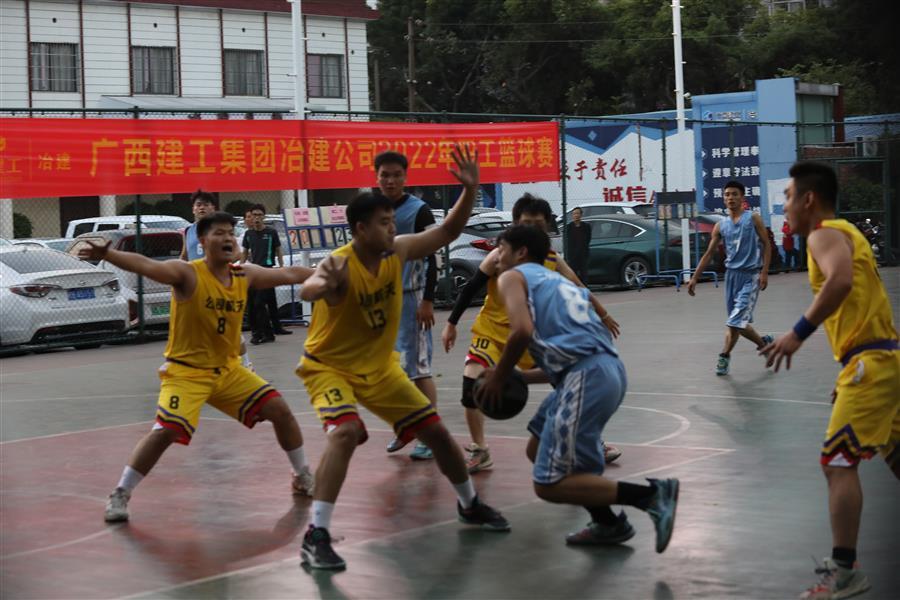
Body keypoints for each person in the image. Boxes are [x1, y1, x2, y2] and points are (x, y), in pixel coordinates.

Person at [295, 145, 509, 571]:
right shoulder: (339, 264)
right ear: (360, 229)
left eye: (393, 220)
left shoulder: (399, 250)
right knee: (344, 432)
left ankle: (469, 504)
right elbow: (309, 288)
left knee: (438, 435)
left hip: (379, 369)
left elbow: (446, 233)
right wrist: (318, 286)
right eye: (384, 223)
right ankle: (316, 534)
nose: (393, 227)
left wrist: (470, 190)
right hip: (329, 369)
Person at [80, 212, 318, 523]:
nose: (228, 238)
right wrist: (109, 254)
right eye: (219, 233)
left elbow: (288, 273)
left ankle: (301, 475)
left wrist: (324, 272)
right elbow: (148, 266)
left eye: (231, 232)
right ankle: (121, 492)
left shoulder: (244, 275)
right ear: (203, 241)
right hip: (187, 372)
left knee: (280, 411)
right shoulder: (188, 274)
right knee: (165, 431)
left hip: (228, 371)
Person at [475, 224, 679, 549]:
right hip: (602, 371)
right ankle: (608, 523)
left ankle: (652, 496)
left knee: (549, 484)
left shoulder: (512, 277)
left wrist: (499, 376)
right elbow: (570, 354)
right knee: (537, 448)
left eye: (501, 249)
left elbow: (521, 331)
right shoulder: (557, 281)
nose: (496, 256)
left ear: (521, 252)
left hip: (587, 378)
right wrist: (521, 377)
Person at [760, 162, 898, 600]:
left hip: (872, 365)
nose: (784, 205)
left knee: (837, 462)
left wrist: (796, 334)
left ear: (808, 199)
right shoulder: (846, 232)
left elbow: (839, 281)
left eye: (788, 196)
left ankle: (845, 570)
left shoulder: (823, 233)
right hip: (882, 359)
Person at [442, 194, 621, 474]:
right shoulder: (501, 256)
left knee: (568, 385)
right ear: (515, 224)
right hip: (492, 330)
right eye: (527, 223)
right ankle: (480, 449)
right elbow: (471, 288)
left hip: (529, 335)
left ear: (547, 225)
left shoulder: (551, 259)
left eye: (538, 224)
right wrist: (451, 323)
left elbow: (579, 287)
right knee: (471, 384)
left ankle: (592, 440)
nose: (533, 229)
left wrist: (604, 315)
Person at [375, 150, 439, 461]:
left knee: (418, 369)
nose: (390, 180)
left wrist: (427, 300)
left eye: (396, 175)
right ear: (377, 177)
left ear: (406, 177)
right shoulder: (372, 210)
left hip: (412, 298)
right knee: (389, 371)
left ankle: (431, 435)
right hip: (382, 301)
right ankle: (406, 427)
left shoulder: (419, 211)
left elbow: (433, 257)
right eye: (385, 175)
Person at [688, 180, 774, 376]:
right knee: (736, 323)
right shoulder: (721, 225)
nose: (731, 198)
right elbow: (709, 253)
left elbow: (766, 244)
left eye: (735, 194)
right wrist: (694, 278)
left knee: (735, 321)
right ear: (723, 199)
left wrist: (764, 272)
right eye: (727, 194)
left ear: (742, 197)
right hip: (731, 277)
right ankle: (764, 344)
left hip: (750, 276)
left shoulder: (753, 218)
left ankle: (724, 355)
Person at [242, 204, 292, 344]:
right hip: (254, 272)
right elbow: (244, 252)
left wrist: (281, 267)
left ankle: (267, 332)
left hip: (267, 271)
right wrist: (240, 267)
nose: (257, 218)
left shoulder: (271, 232)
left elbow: (278, 250)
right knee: (253, 304)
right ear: (251, 217)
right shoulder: (248, 234)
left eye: (259, 215)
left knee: (260, 303)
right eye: (254, 215)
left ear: (264, 216)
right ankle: (258, 333)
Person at [564, 207, 592, 284]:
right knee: (573, 275)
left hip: (583, 254)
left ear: (581, 215)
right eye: (574, 214)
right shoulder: (568, 227)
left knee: (584, 275)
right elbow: (566, 241)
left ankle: (584, 288)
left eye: (577, 213)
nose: (576, 215)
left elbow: (588, 239)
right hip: (572, 255)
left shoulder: (586, 226)